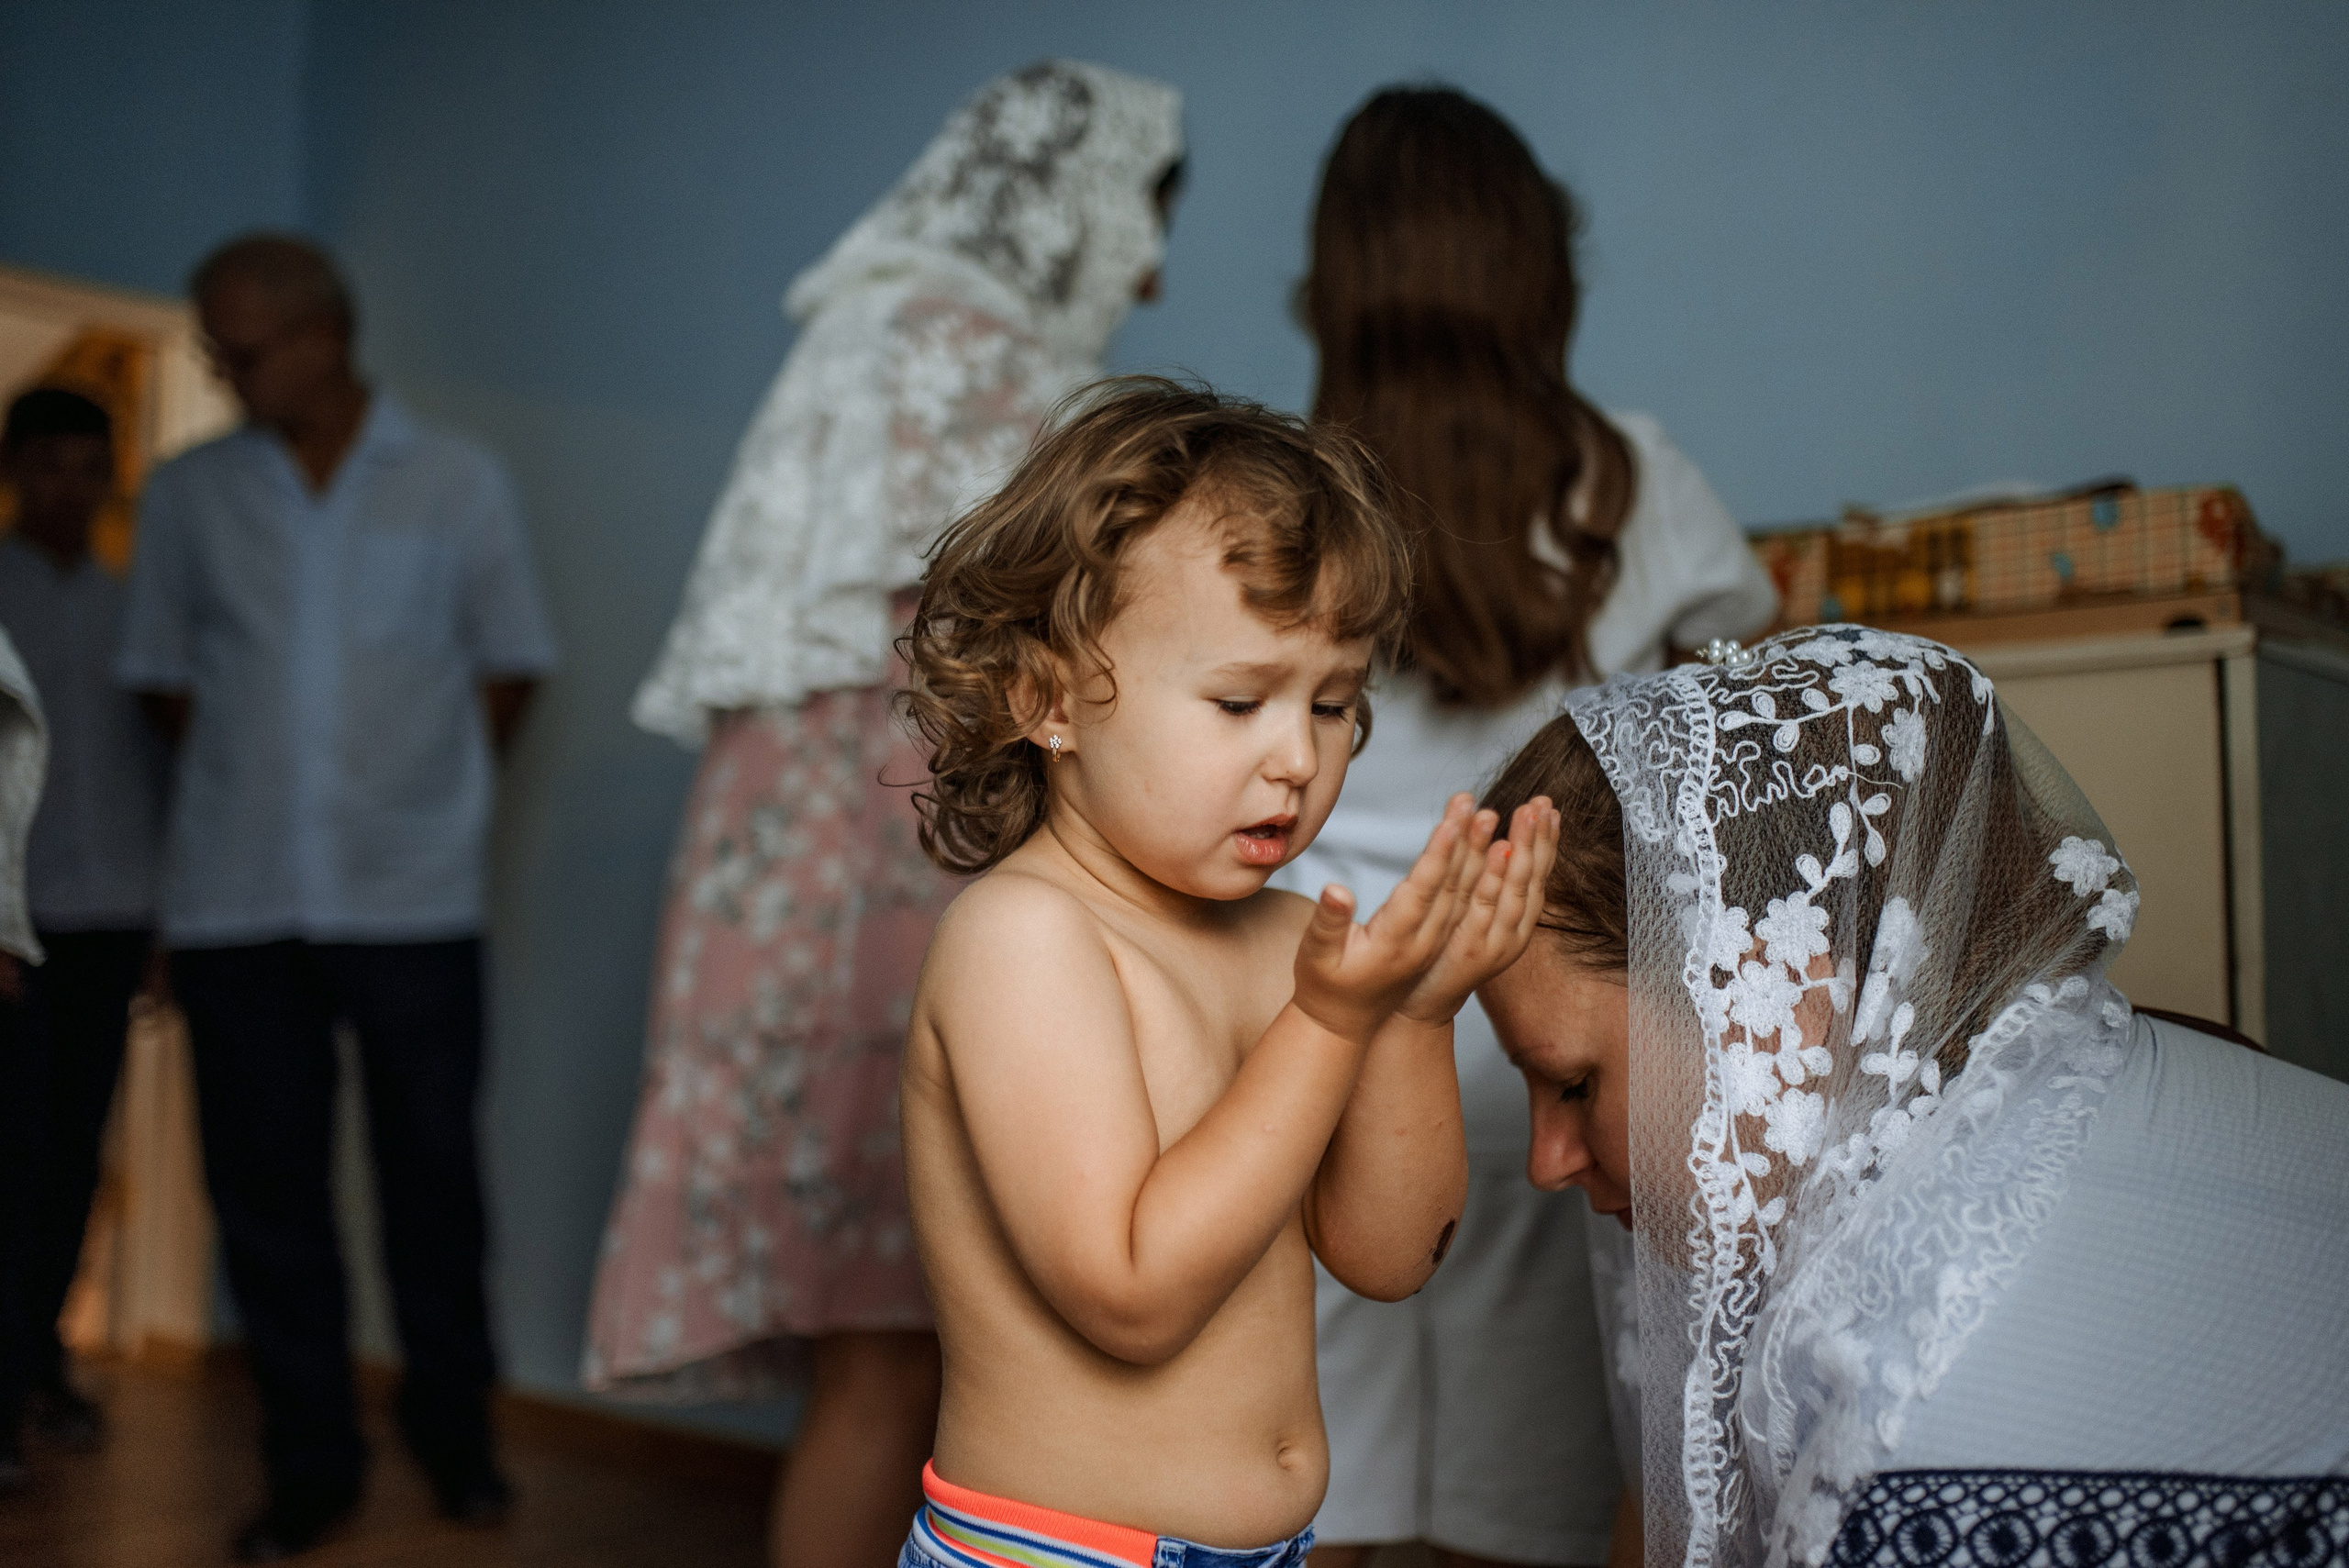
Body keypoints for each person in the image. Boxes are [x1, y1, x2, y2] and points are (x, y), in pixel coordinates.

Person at [586, 59, 1184, 1568]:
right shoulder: (1014, 381)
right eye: (1144, 217)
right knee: (908, 1348)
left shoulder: (851, 341)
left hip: (775, 892)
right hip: (913, 873)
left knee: (882, 1350)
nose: (1155, 266)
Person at [1475, 625, 2349, 1568]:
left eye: (1573, 1082)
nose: (1545, 1158)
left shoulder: (1910, 1416)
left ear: (1780, 1007)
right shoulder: (2089, 1071)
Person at [893, 375, 1563, 1568]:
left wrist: (1411, 1017)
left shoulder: (1280, 940)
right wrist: (1326, 1021)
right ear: (1048, 697)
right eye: (1239, 699)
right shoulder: (1025, 939)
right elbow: (1132, 1292)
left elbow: (1389, 1256)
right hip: (1057, 1554)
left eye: (1334, 703)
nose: (1296, 757)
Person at [1278, 86, 1777, 1568]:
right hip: (1547, 1044)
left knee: (1320, 1466)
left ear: (1337, 284)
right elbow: (1747, 705)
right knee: (1545, 1481)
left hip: (1316, 1029)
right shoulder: (1633, 480)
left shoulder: (1279, 495)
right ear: (1538, 274)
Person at [117, 234, 558, 1561]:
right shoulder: (190, 495)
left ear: (325, 334)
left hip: (413, 900)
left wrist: (412, 791)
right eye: (213, 349)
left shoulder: (457, 482)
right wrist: (266, 773)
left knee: (434, 1182)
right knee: (269, 1200)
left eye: (238, 349)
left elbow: (513, 664)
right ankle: (310, 1465)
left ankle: (456, 1438)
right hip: (237, 905)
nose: (225, 372)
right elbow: (157, 676)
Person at [0, 388, 170, 1489]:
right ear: (14, 469)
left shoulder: (137, 608)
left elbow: (158, 772)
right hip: (14, 932)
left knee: (72, 1157)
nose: (70, 485)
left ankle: (40, 1361)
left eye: (88, 464)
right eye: (48, 464)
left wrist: (163, 921)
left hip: (112, 919)